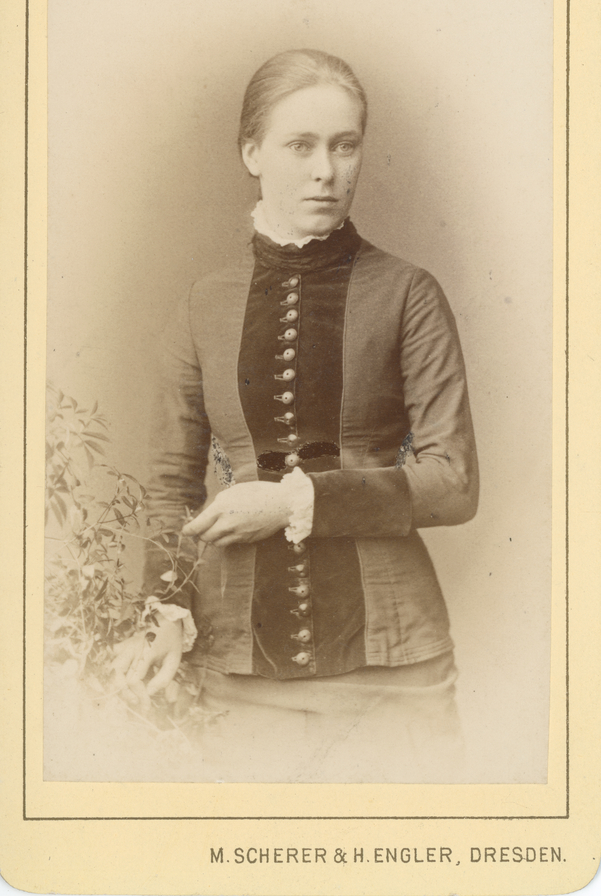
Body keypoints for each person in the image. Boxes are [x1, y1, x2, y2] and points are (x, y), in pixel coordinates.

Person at [114, 49, 479, 782]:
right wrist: (160, 612)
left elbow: (453, 482)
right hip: (236, 662)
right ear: (252, 152)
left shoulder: (408, 293)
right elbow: (167, 488)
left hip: (393, 664)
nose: (326, 170)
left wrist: (289, 500)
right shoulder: (202, 305)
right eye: (300, 145)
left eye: (345, 145)